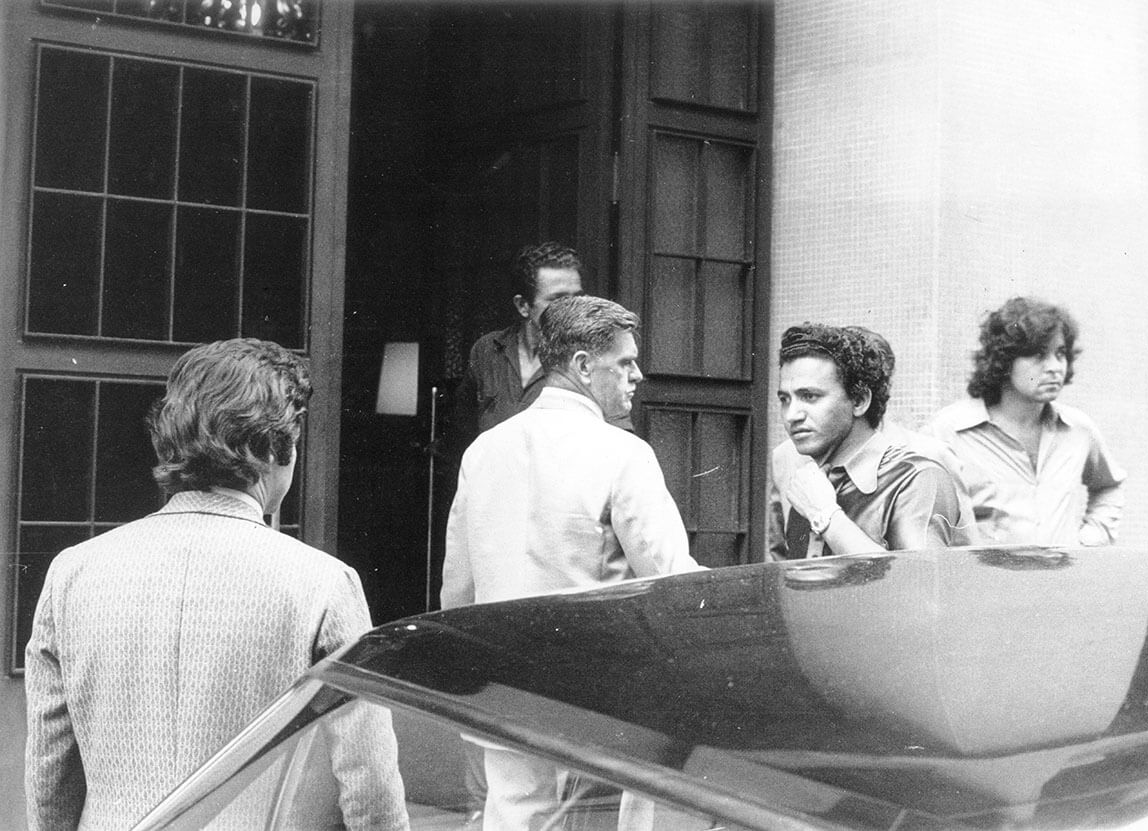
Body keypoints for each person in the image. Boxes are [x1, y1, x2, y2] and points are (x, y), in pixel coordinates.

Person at [24, 339, 409, 831]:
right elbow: (370, 786)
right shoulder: (324, 583)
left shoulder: (73, 572)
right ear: (274, 448)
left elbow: (50, 774)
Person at [442, 295, 701, 830]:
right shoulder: (624, 454)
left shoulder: (483, 451)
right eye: (625, 363)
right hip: (599, 700)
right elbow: (673, 581)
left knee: (513, 816)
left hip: (503, 689)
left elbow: (457, 591)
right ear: (583, 365)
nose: (637, 376)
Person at [925, 296, 1125, 546]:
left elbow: (1109, 487)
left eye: (1060, 354)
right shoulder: (947, 432)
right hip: (984, 572)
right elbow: (919, 517)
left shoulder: (1079, 430)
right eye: (1039, 355)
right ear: (1004, 360)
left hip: (1062, 571)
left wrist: (1089, 539)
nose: (1055, 367)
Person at [768, 323, 970, 560]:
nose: (792, 415)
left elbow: (920, 578)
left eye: (809, 396)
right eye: (785, 399)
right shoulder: (808, 485)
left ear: (859, 401)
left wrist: (826, 515)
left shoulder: (916, 478)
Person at [455, 241, 586, 439]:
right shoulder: (487, 350)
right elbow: (461, 431)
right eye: (558, 299)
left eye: (577, 297)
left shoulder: (590, 361)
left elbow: (618, 438)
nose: (573, 308)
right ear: (523, 305)